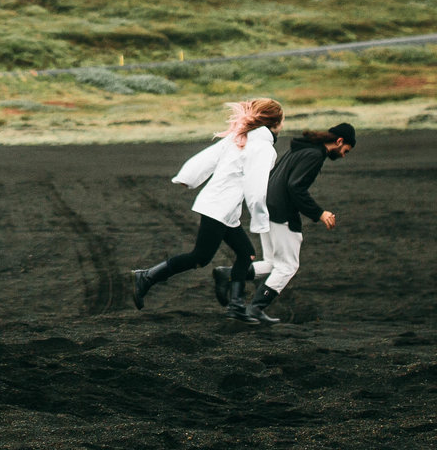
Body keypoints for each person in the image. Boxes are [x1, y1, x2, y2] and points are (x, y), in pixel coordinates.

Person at [130, 98, 283, 314]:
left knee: (246, 253)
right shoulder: (263, 148)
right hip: (219, 208)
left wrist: (187, 177)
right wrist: (260, 220)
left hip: (221, 208)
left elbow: (207, 157)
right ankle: (146, 277)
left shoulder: (239, 137)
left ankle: (236, 304)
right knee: (200, 257)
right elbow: (256, 188)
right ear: (277, 123)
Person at [223, 122, 351, 323]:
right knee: (288, 266)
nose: (344, 154)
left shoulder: (301, 149)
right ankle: (256, 308)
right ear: (339, 141)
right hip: (281, 212)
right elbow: (295, 187)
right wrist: (319, 213)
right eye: (346, 150)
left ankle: (230, 275)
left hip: (266, 207)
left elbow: (275, 177)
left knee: (273, 263)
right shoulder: (314, 155)